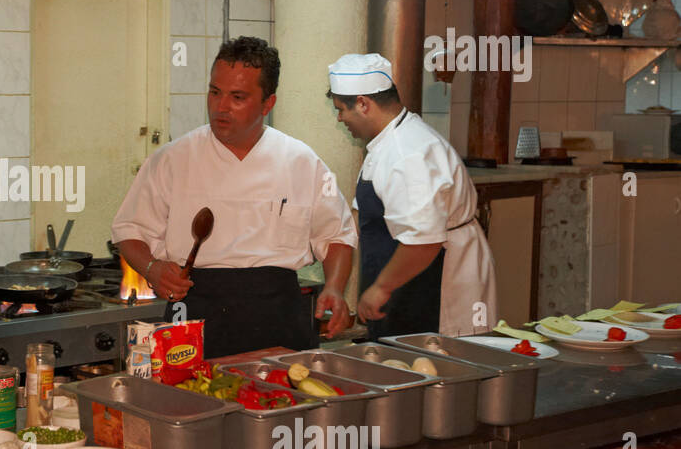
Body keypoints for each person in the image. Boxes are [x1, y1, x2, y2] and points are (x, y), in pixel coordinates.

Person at [111, 36, 356, 358]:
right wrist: (153, 269)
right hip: (196, 307)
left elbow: (336, 234)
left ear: (268, 103)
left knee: (278, 401)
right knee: (192, 403)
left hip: (277, 312)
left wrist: (336, 288)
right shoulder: (173, 159)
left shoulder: (301, 161)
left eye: (237, 97)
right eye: (215, 92)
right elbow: (129, 230)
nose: (221, 107)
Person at [327, 52, 497, 337]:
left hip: (436, 283)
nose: (341, 118)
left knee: (435, 368)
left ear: (363, 104)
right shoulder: (387, 142)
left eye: (341, 110)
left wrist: (381, 288)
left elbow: (423, 241)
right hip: (406, 283)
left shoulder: (408, 154)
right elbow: (359, 218)